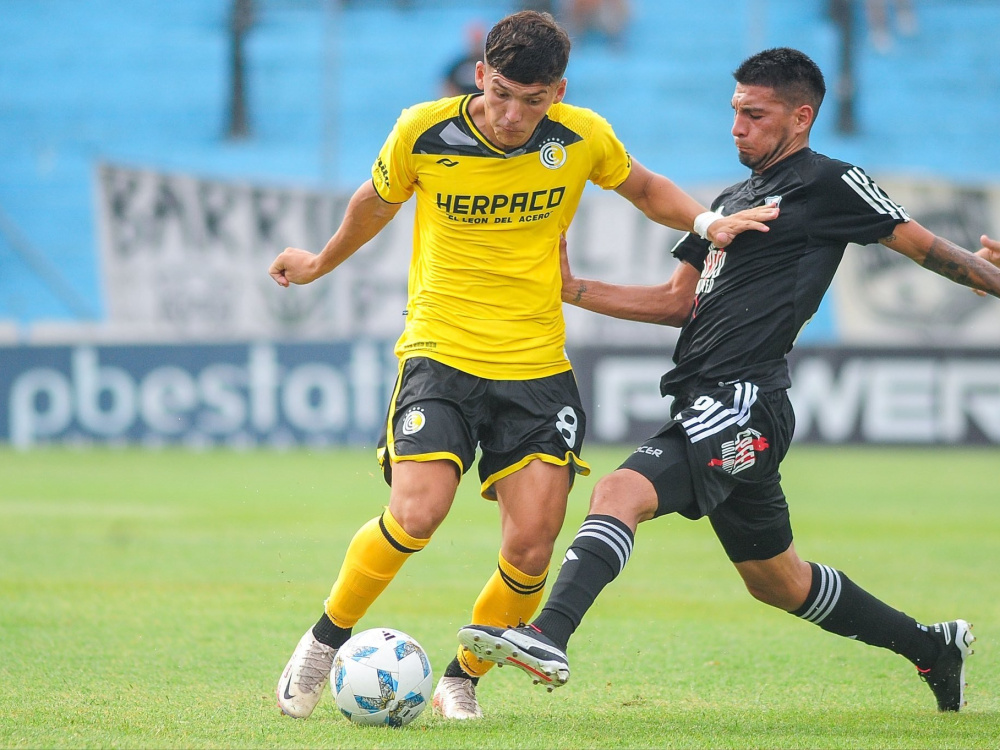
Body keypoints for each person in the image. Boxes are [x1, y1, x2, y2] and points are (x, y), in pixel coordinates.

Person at [459, 47, 1000, 713]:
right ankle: (933, 647)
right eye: (735, 111)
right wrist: (573, 289)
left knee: (620, 491)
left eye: (756, 114)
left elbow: (925, 248)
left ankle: (548, 635)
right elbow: (676, 302)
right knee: (778, 582)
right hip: (709, 401)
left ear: (801, 117)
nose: (738, 127)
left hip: (744, 398)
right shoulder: (729, 202)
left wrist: (990, 276)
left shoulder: (828, 183)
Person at [268, 10, 775, 721]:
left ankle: (461, 678)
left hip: (536, 366)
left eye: (532, 101)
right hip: (441, 352)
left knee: (533, 547)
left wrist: (706, 222)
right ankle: (325, 640)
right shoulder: (423, 131)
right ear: (480, 75)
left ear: (557, 92)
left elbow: (643, 187)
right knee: (417, 514)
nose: (512, 115)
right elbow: (373, 203)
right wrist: (319, 263)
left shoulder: (580, 135)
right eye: (501, 93)